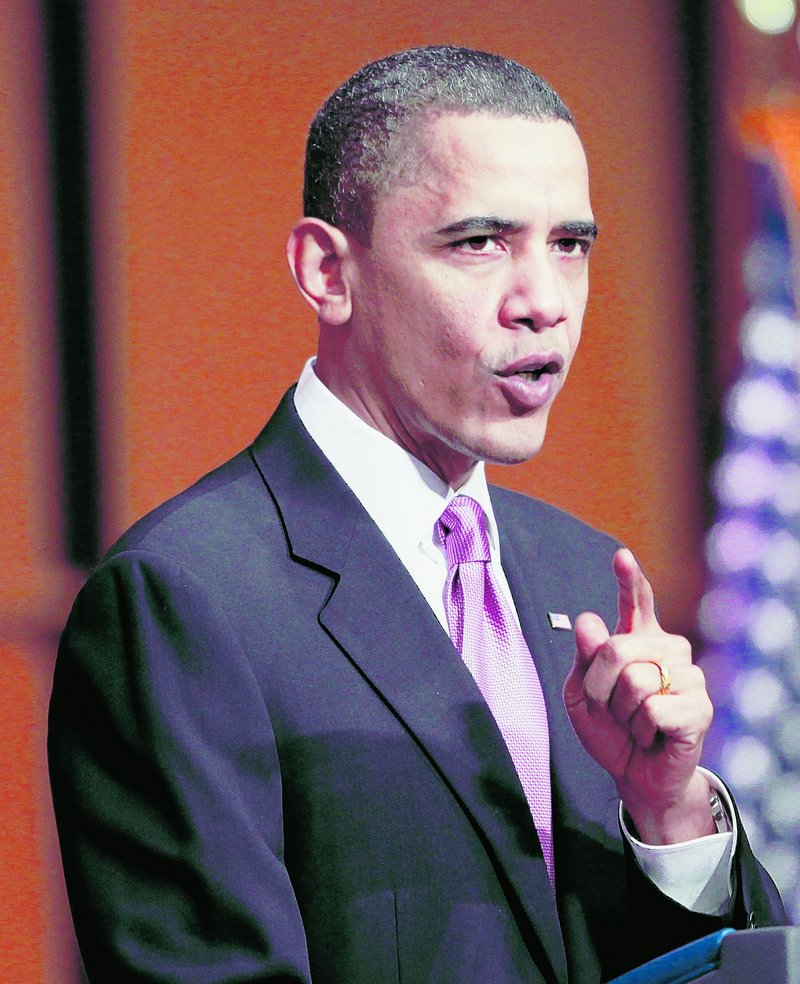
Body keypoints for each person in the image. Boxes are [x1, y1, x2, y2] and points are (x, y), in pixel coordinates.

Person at [48, 45, 787, 984]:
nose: (544, 303)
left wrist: (671, 816)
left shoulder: (585, 576)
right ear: (326, 271)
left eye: (570, 246)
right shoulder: (185, 598)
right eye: (480, 243)